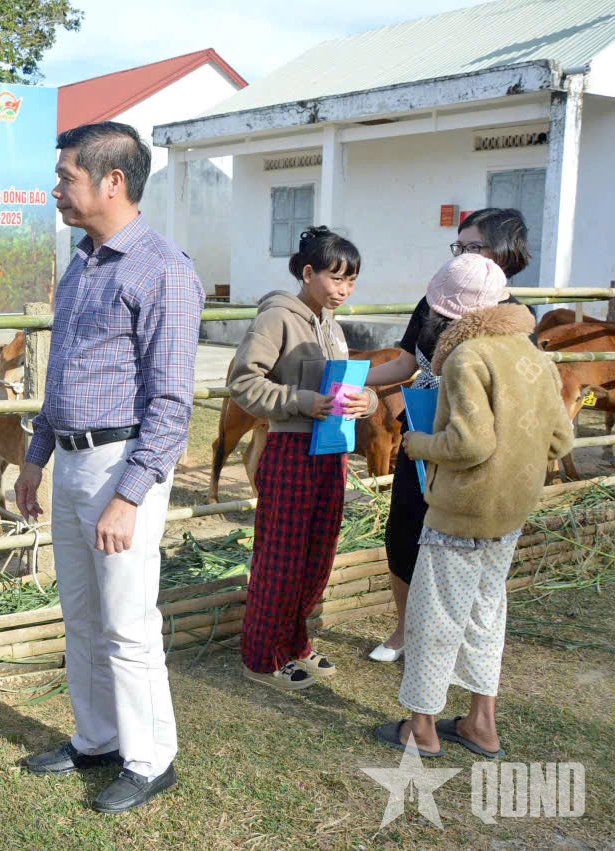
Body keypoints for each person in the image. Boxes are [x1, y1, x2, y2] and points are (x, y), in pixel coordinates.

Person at [14, 122, 205, 814]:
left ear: (112, 181)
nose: (57, 189)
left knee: (127, 621)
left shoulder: (162, 268)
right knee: (82, 615)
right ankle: (95, 737)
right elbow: (63, 373)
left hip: (121, 465)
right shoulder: (85, 260)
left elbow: (172, 401)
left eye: (67, 176)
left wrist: (129, 495)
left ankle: (151, 758)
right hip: (69, 461)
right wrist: (35, 459)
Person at [375, 253, 573, 757]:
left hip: (460, 510)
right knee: (488, 613)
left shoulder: (467, 358)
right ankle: (481, 724)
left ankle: (422, 729)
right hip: (510, 511)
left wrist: (416, 443)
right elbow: (561, 441)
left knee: (433, 617)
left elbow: (468, 445)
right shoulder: (534, 356)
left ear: (448, 312)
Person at [364, 208, 532, 662]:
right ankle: (404, 630)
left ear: (503, 253)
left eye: (472, 246)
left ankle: (450, 642)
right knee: (403, 532)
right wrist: (358, 381)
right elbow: (407, 362)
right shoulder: (435, 298)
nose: (461, 256)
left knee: (458, 545)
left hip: (471, 451)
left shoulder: (515, 318)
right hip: (418, 438)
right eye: (458, 247)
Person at [227, 227, 378, 690]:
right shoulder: (277, 318)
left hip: (331, 453)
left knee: (318, 555)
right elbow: (242, 382)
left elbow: (347, 387)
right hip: (290, 450)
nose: (345, 290)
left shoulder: (332, 327)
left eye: (351, 281)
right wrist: (299, 400)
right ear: (308, 273)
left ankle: (294, 642)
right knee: (281, 557)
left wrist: (367, 400)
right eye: (337, 279)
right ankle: (261, 656)